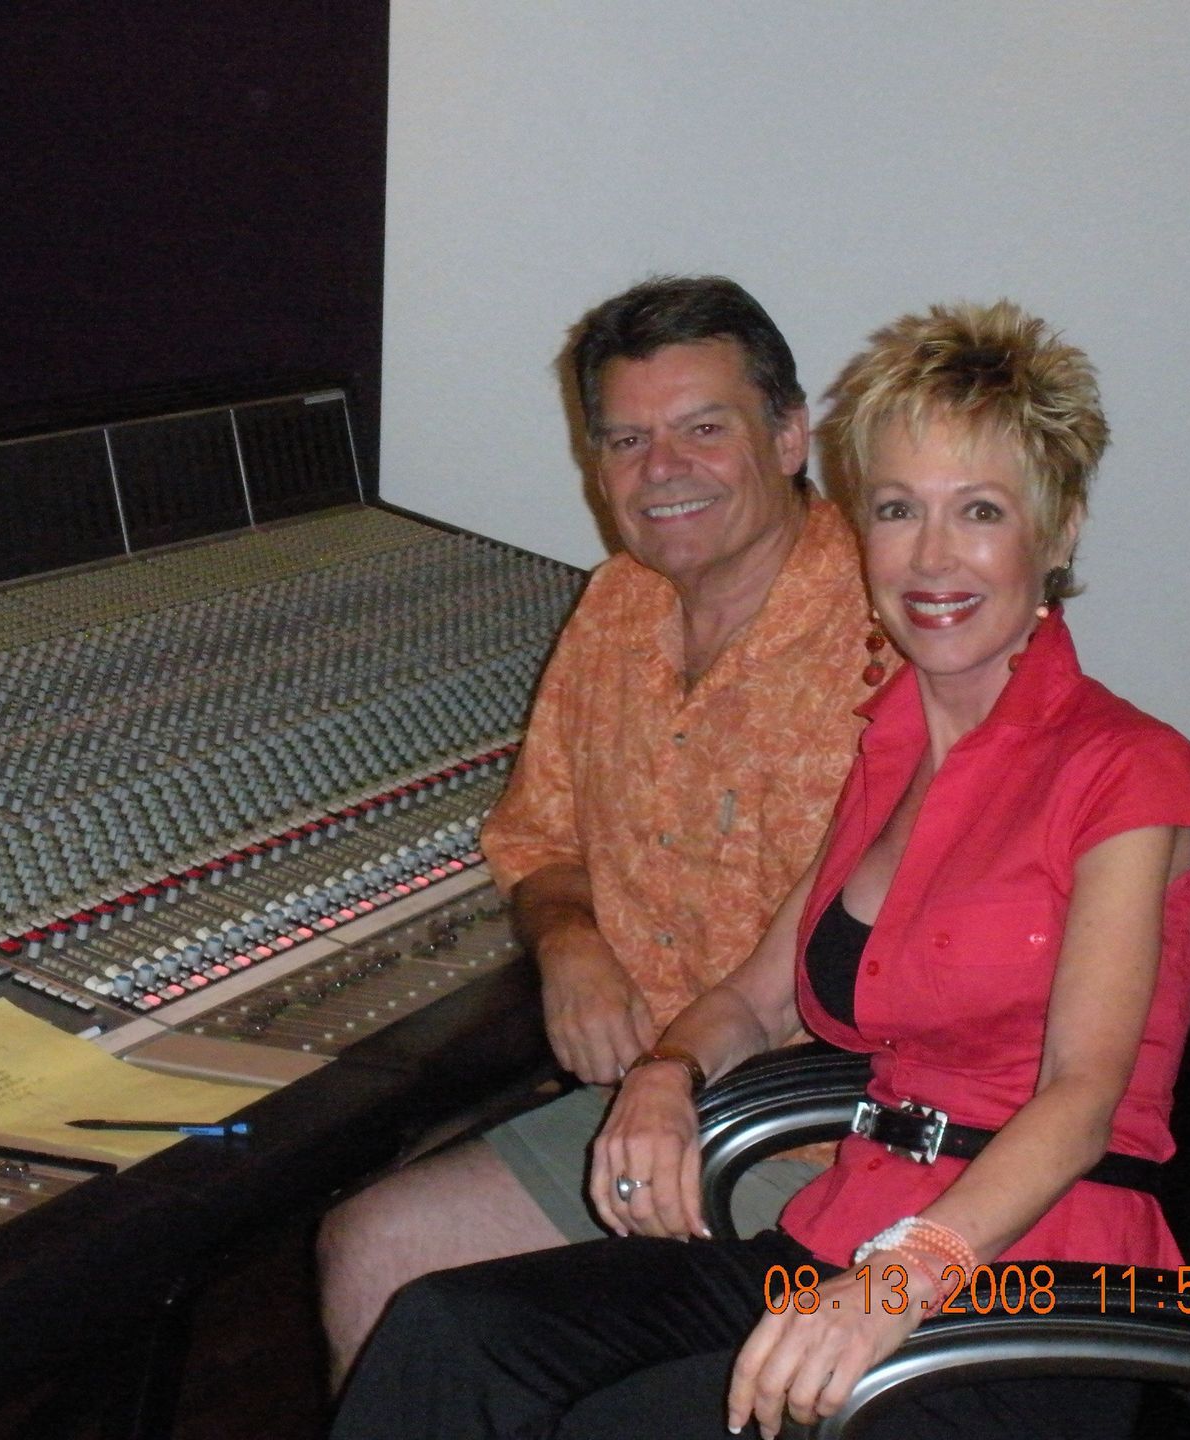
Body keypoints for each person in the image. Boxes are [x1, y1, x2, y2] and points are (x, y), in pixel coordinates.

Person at [330, 299, 1190, 1439]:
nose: (932, 556)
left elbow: (1082, 1095)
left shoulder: (1129, 770)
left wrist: (899, 1279)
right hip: (841, 1227)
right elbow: (762, 996)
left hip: (1035, 1274)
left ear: (1054, 537)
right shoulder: (893, 747)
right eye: (898, 511)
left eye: (981, 513)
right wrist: (667, 1076)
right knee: (451, 1335)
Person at [316, 276, 871, 1381]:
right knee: (375, 1250)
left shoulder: (892, 630)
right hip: (646, 1113)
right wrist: (568, 941)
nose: (661, 470)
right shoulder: (619, 602)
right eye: (625, 440)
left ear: (791, 432)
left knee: (502, 1345)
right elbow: (537, 836)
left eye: (703, 429)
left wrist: (679, 1076)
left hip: (823, 1151)